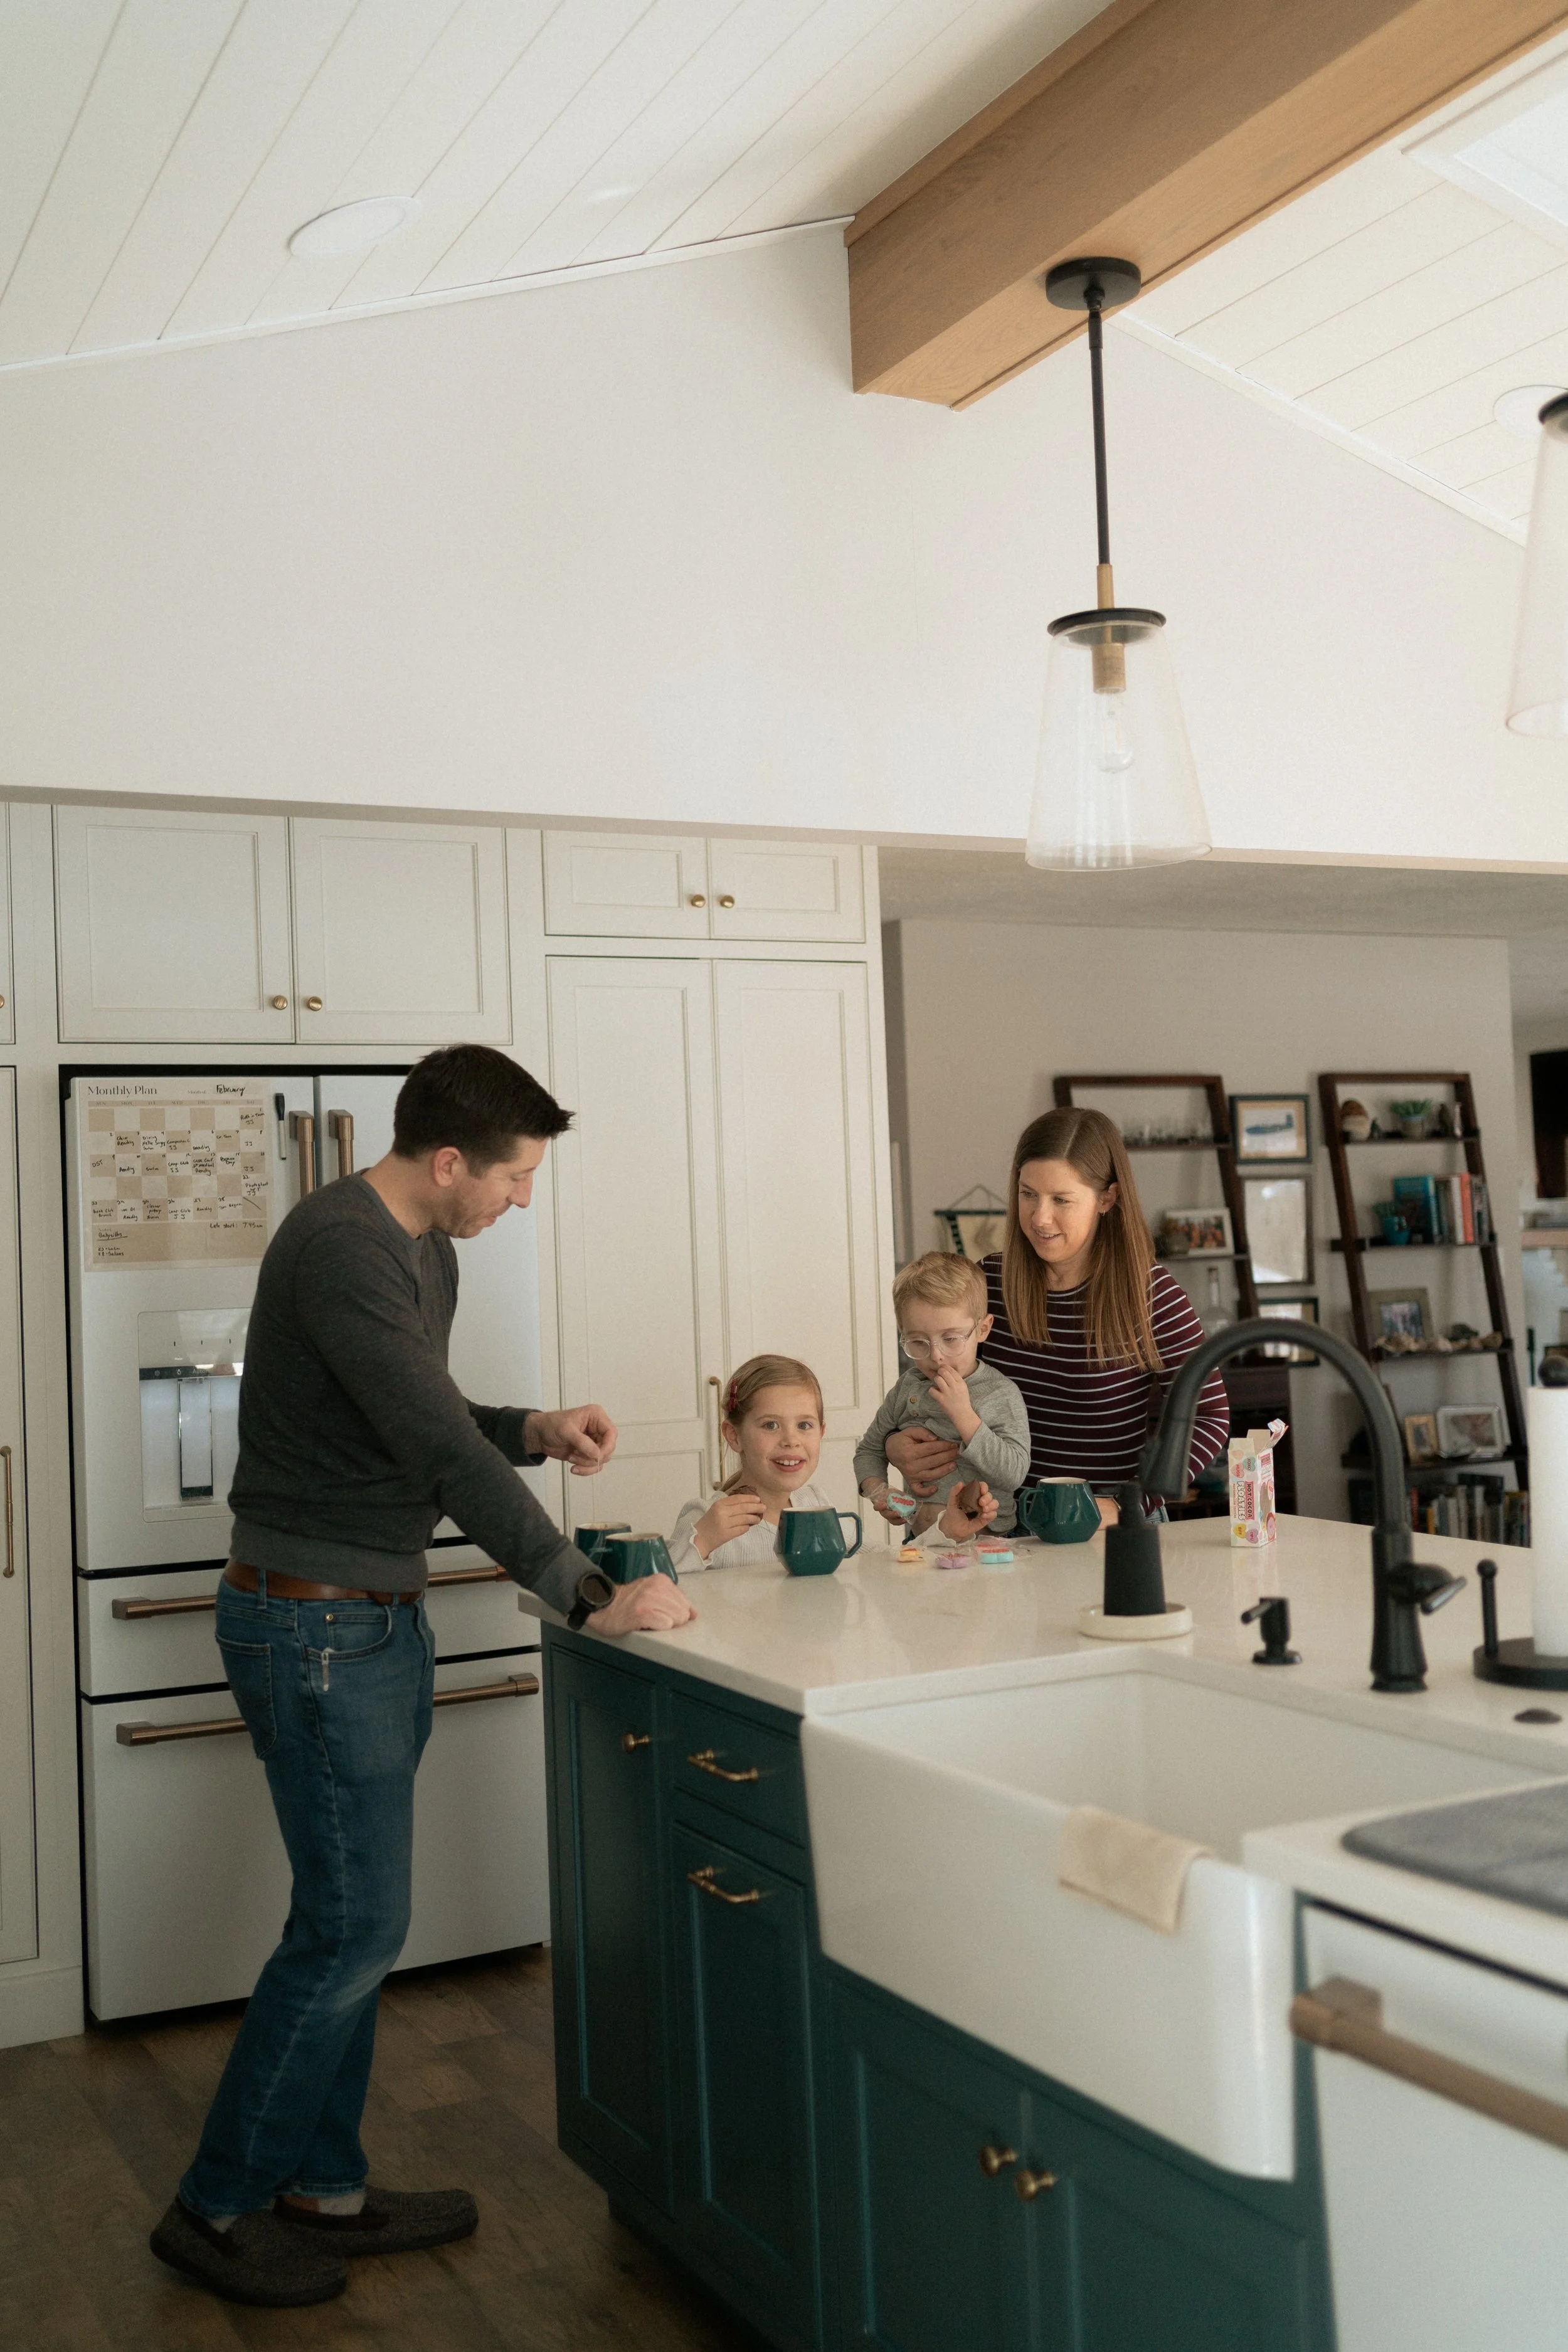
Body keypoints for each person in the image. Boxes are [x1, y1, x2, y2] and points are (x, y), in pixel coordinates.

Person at [152, 1044, 694, 2311]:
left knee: (351, 1922)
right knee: (350, 1927)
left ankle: (322, 2189)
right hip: (314, 1629)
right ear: (449, 1162)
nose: (518, 1202)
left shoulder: (420, 1251)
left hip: (363, 1623)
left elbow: (418, 1414)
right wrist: (584, 1592)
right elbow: (435, 1455)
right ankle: (217, 2204)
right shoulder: (340, 1243)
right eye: (513, 1179)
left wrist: (532, 1429)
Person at [886, 1108, 1229, 1513]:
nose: (1039, 1217)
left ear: (1108, 1198)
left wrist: (1126, 1506)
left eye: (1061, 1200)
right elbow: (930, 1382)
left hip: (1104, 1534)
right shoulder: (987, 1283)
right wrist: (896, 1443)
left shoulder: (1151, 1297)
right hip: (993, 1529)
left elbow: (1209, 1419)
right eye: (1028, 1193)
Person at [667, 1353, 992, 1571]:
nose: (791, 1440)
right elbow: (655, 1590)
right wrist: (704, 1540)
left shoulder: (815, 1505)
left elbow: (878, 1565)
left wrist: (947, 1530)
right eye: (770, 1425)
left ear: (821, 1432)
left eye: (804, 1425)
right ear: (734, 1436)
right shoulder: (706, 1516)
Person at [854, 1253, 1030, 1535]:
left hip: (988, 1545)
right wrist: (879, 1493)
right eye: (918, 1342)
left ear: (983, 1329)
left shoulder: (999, 1393)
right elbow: (868, 1451)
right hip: (920, 1545)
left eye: (950, 1339)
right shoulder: (907, 1388)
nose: (936, 1357)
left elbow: (1013, 1474)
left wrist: (964, 1416)